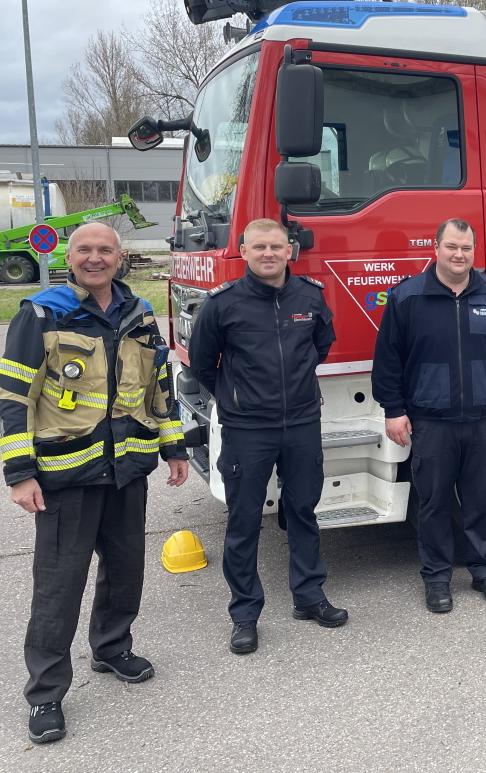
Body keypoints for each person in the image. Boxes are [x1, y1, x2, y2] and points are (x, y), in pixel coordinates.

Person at [0, 222, 189, 744]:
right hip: (65, 476)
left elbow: (158, 384)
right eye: (85, 250)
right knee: (59, 586)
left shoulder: (138, 312)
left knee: (125, 570)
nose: (94, 258)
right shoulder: (43, 312)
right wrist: (20, 473)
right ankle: (46, 694)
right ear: (68, 255)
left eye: (105, 250)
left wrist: (173, 446)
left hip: (127, 471)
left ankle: (111, 647)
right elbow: (11, 397)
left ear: (120, 258)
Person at [189, 218, 345, 654]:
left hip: (300, 424)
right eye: (259, 247)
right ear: (243, 249)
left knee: (303, 512)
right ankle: (244, 613)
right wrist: (235, 396)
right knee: (243, 521)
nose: (268, 254)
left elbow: (321, 345)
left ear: (289, 250)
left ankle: (310, 597)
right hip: (247, 428)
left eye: (276, 246)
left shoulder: (309, 297)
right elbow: (203, 363)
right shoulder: (222, 304)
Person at [372, 218, 486, 613]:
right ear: (437, 249)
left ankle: (483, 571)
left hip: (481, 420)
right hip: (431, 421)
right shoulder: (408, 297)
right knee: (435, 504)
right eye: (451, 247)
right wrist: (394, 411)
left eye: (466, 248)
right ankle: (437, 578)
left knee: (479, 500)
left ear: (474, 252)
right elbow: (388, 360)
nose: (459, 255)